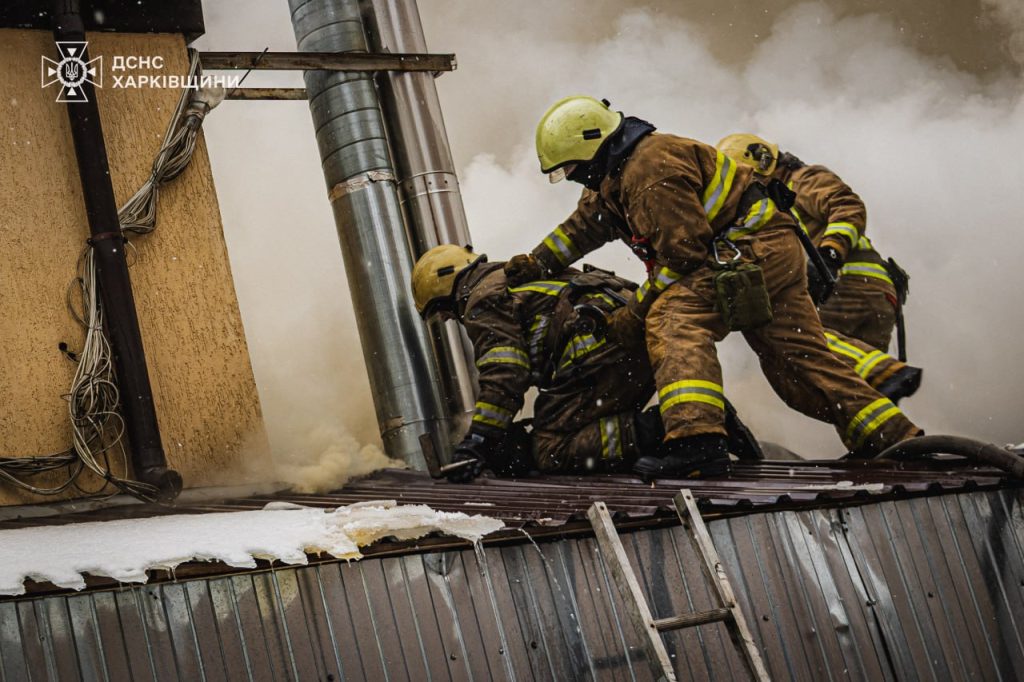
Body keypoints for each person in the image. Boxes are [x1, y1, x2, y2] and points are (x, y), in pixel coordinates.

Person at [504, 96, 922, 472]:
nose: (572, 178)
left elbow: (682, 257)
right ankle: (894, 439)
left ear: (592, 147)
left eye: (572, 168)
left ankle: (697, 441)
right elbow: (582, 228)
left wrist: (634, 313)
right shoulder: (615, 175)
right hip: (770, 250)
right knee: (800, 363)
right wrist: (537, 261)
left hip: (749, 253)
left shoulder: (649, 171)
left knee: (673, 320)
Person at [411, 244, 745, 482]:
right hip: (632, 334)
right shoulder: (509, 276)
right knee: (570, 428)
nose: (451, 318)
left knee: (551, 448)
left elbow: (506, 374)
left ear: (444, 288)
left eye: (444, 311)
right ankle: (694, 416)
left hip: (598, 349)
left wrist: (478, 441)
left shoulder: (481, 299)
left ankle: (674, 428)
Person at [717, 134, 922, 403]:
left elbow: (847, 207)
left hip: (848, 284)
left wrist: (829, 255)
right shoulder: (769, 203)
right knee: (853, 384)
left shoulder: (801, 180)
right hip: (870, 295)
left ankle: (884, 371)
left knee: (800, 337)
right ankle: (884, 421)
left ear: (760, 163)